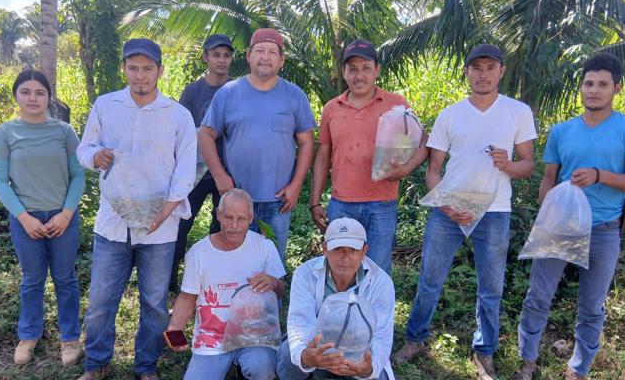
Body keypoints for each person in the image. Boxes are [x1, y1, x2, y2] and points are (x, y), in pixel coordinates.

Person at [393, 44, 537, 379]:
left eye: (490, 67)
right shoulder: (450, 114)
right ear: (467, 72)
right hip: (448, 212)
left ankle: (483, 352)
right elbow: (433, 168)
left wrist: (509, 164)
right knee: (430, 279)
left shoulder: (517, 112)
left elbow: (528, 165)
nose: (483, 74)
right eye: (476, 68)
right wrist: (445, 204)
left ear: (501, 71)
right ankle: (416, 339)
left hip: (495, 212)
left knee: (491, 286)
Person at [513, 53, 625, 380]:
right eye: (589, 83)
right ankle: (528, 362)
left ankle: (578, 370)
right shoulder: (562, 131)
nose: (594, 90)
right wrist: (546, 213)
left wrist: (600, 175)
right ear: (581, 87)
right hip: (560, 226)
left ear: (617, 88)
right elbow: (549, 177)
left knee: (591, 307)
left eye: (603, 84)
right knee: (537, 297)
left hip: (604, 229)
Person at [75, 38, 196, 380]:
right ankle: (96, 363)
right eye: (133, 68)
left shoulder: (177, 115)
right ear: (124, 69)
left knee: (155, 304)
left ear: (160, 70)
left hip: (161, 227)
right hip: (113, 224)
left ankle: (146, 367)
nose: (140, 76)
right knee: (100, 301)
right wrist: (94, 157)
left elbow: (185, 171)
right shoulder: (106, 105)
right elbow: (85, 149)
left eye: (147, 69)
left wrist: (165, 211)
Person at [0, 69, 85, 366]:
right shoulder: (6, 133)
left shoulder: (64, 131)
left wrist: (66, 213)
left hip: (62, 220)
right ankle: (29, 335)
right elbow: (0, 183)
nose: (33, 98)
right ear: (16, 95)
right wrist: (24, 218)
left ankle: (69, 337)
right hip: (25, 221)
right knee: (32, 280)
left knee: (66, 279)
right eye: (26, 92)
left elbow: (78, 175)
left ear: (48, 96)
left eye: (40, 92)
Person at [309, 39, 428, 274]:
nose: (359, 75)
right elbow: (323, 156)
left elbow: (425, 142)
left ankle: (375, 312)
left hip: (382, 203)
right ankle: (341, 310)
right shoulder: (332, 108)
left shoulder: (397, 104)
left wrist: (407, 168)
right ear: (343, 72)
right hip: (341, 203)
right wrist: (315, 201)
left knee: (377, 269)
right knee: (341, 269)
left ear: (377, 70)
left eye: (365, 68)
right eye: (352, 69)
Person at [199, 28, 316, 259]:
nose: (266, 57)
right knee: (234, 262)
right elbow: (205, 134)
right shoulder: (228, 93)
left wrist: (296, 185)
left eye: (273, 52)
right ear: (248, 55)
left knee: (272, 265)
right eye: (260, 50)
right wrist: (220, 176)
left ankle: (274, 298)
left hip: (278, 201)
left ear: (282, 60)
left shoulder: (295, 96)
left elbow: (306, 142)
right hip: (237, 201)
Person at [166, 188, 286, 379]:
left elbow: (280, 292)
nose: (235, 226)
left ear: (251, 217)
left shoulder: (264, 246)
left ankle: (248, 368)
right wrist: (175, 330)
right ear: (218, 215)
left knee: (262, 368)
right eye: (229, 217)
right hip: (212, 339)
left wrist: (272, 282)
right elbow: (188, 297)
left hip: (253, 336)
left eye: (242, 219)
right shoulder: (199, 252)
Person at [278, 218, 395, 380]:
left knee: (377, 375)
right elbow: (300, 321)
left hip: (358, 349)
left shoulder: (381, 282)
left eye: (353, 250)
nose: (345, 258)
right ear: (325, 248)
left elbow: (382, 336)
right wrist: (305, 356)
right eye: (338, 249)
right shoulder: (305, 273)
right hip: (318, 344)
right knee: (289, 355)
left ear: (364, 251)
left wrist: (367, 368)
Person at [170, 34, 235, 292]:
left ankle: (215, 282)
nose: (221, 60)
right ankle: (170, 283)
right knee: (180, 225)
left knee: (222, 227)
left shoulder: (237, 90)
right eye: (216, 55)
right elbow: (181, 130)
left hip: (227, 172)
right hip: (195, 172)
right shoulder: (193, 91)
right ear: (206, 57)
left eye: (226, 55)